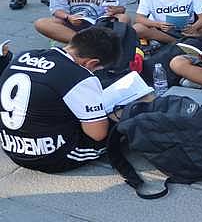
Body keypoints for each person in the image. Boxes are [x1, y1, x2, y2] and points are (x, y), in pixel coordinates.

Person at [0, 27, 121, 173]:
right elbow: (97, 134)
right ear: (91, 63)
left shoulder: (23, 55)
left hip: (10, 146)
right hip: (51, 157)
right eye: (98, 69)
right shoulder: (79, 76)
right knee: (120, 122)